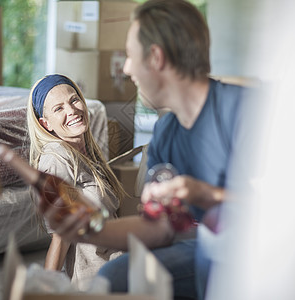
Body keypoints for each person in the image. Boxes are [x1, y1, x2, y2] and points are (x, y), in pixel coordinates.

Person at [29, 0, 251, 299]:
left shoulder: (245, 111)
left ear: (156, 57)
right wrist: (88, 229)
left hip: (252, 248)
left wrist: (207, 195)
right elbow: (158, 228)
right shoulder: (165, 133)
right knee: (115, 276)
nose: (127, 69)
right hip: (193, 245)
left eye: (130, 56)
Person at [26, 74, 126, 288]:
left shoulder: (86, 153)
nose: (71, 111)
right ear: (46, 124)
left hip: (122, 263)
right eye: (58, 108)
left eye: (73, 100)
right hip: (99, 280)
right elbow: (60, 238)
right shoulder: (56, 160)